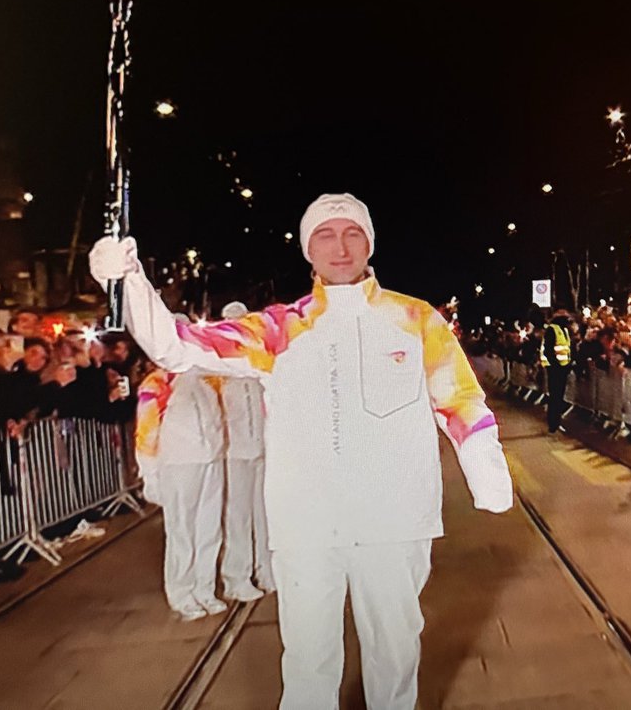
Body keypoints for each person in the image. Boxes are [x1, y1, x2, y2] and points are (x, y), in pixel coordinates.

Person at [89, 192, 512, 710]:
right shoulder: (277, 328)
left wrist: (486, 472)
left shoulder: (416, 318)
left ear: (369, 244)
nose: (340, 247)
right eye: (325, 236)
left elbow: (461, 399)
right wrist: (128, 280)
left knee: (395, 654)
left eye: (352, 233)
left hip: (395, 521)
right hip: (308, 525)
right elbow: (177, 345)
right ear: (308, 251)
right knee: (309, 663)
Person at [136, 350, 229, 622]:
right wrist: (149, 474)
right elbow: (145, 431)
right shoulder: (156, 384)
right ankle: (181, 592)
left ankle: (205, 588)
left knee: (209, 529)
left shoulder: (209, 380)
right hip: (179, 464)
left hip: (211, 460)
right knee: (182, 531)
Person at [217, 301, 275, 601]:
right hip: (233, 452)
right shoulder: (215, 368)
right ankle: (235, 577)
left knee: (264, 513)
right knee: (237, 516)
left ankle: (265, 569)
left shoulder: (257, 364)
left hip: (261, 449)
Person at [540, 308, 573, 435]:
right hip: (555, 369)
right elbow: (548, 350)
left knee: (559, 397)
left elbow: (567, 349)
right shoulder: (552, 329)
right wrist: (556, 366)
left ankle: (557, 422)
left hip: (563, 368)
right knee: (554, 397)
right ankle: (552, 424)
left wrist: (568, 364)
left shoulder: (564, 330)